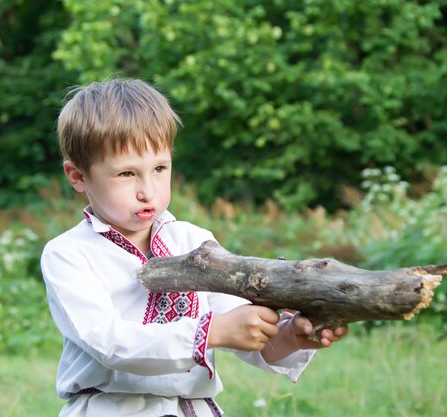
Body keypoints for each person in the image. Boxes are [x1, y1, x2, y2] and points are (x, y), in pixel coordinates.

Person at [41, 78, 348, 417]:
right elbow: (110, 343)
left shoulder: (192, 241)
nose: (147, 191)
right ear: (78, 176)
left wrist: (292, 336)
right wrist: (210, 332)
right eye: (127, 174)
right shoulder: (69, 254)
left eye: (159, 168)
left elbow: (240, 328)